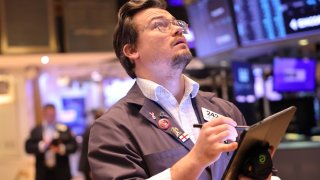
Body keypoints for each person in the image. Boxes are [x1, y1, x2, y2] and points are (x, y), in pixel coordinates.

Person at [88, 0, 248, 179]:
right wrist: (196, 160)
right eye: (160, 26)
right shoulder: (113, 128)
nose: (178, 30)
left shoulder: (225, 110)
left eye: (177, 23)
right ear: (132, 50)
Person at [25, 104, 78, 180]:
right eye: (48, 114)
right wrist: (42, 146)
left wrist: (61, 149)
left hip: (61, 172)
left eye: (53, 114)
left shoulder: (64, 128)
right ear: (44, 114)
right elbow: (28, 147)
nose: (51, 117)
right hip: (43, 173)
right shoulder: (36, 130)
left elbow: (74, 146)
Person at [79, 109, 104, 180]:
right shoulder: (93, 130)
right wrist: (91, 169)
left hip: (89, 165)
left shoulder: (92, 129)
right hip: (89, 165)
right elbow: (89, 151)